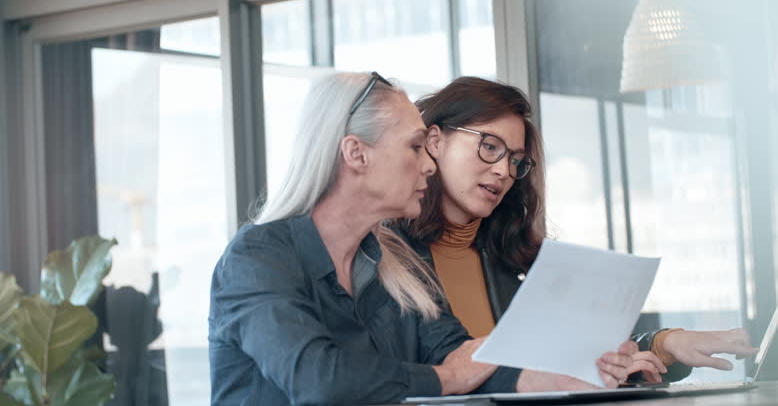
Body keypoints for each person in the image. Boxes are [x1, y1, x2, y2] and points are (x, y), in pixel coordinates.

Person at [208, 72, 649, 405]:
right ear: (356, 153)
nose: (429, 165)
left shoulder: (398, 264)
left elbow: (464, 358)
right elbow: (320, 380)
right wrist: (447, 379)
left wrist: (573, 375)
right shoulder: (257, 258)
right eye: (415, 147)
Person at [396, 76, 759, 385]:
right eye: (490, 147)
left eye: (515, 160)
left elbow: (571, 355)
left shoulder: (511, 258)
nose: (504, 171)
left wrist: (665, 344)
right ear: (434, 140)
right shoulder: (383, 257)